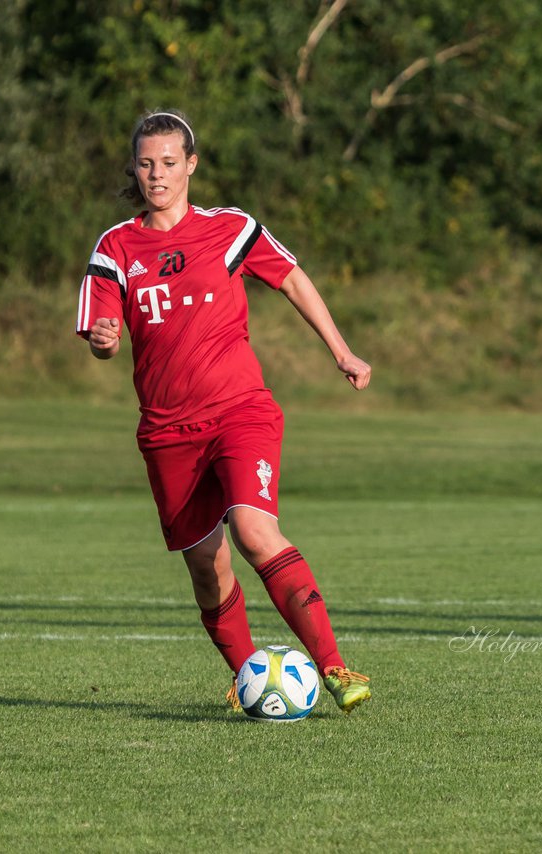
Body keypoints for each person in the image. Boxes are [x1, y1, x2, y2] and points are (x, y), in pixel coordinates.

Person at [76, 110, 373, 712]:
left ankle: (335, 667)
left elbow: (291, 279)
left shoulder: (231, 229)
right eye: (145, 163)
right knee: (209, 573)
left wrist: (341, 350)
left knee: (254, 532)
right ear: (134, 168)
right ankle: (250, 679)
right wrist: (104, 340)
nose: (156, 175)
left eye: (167, 162)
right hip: (166, 432)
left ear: (191, 164)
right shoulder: (115, 247)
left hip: (241, 411)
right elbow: (101, 332)